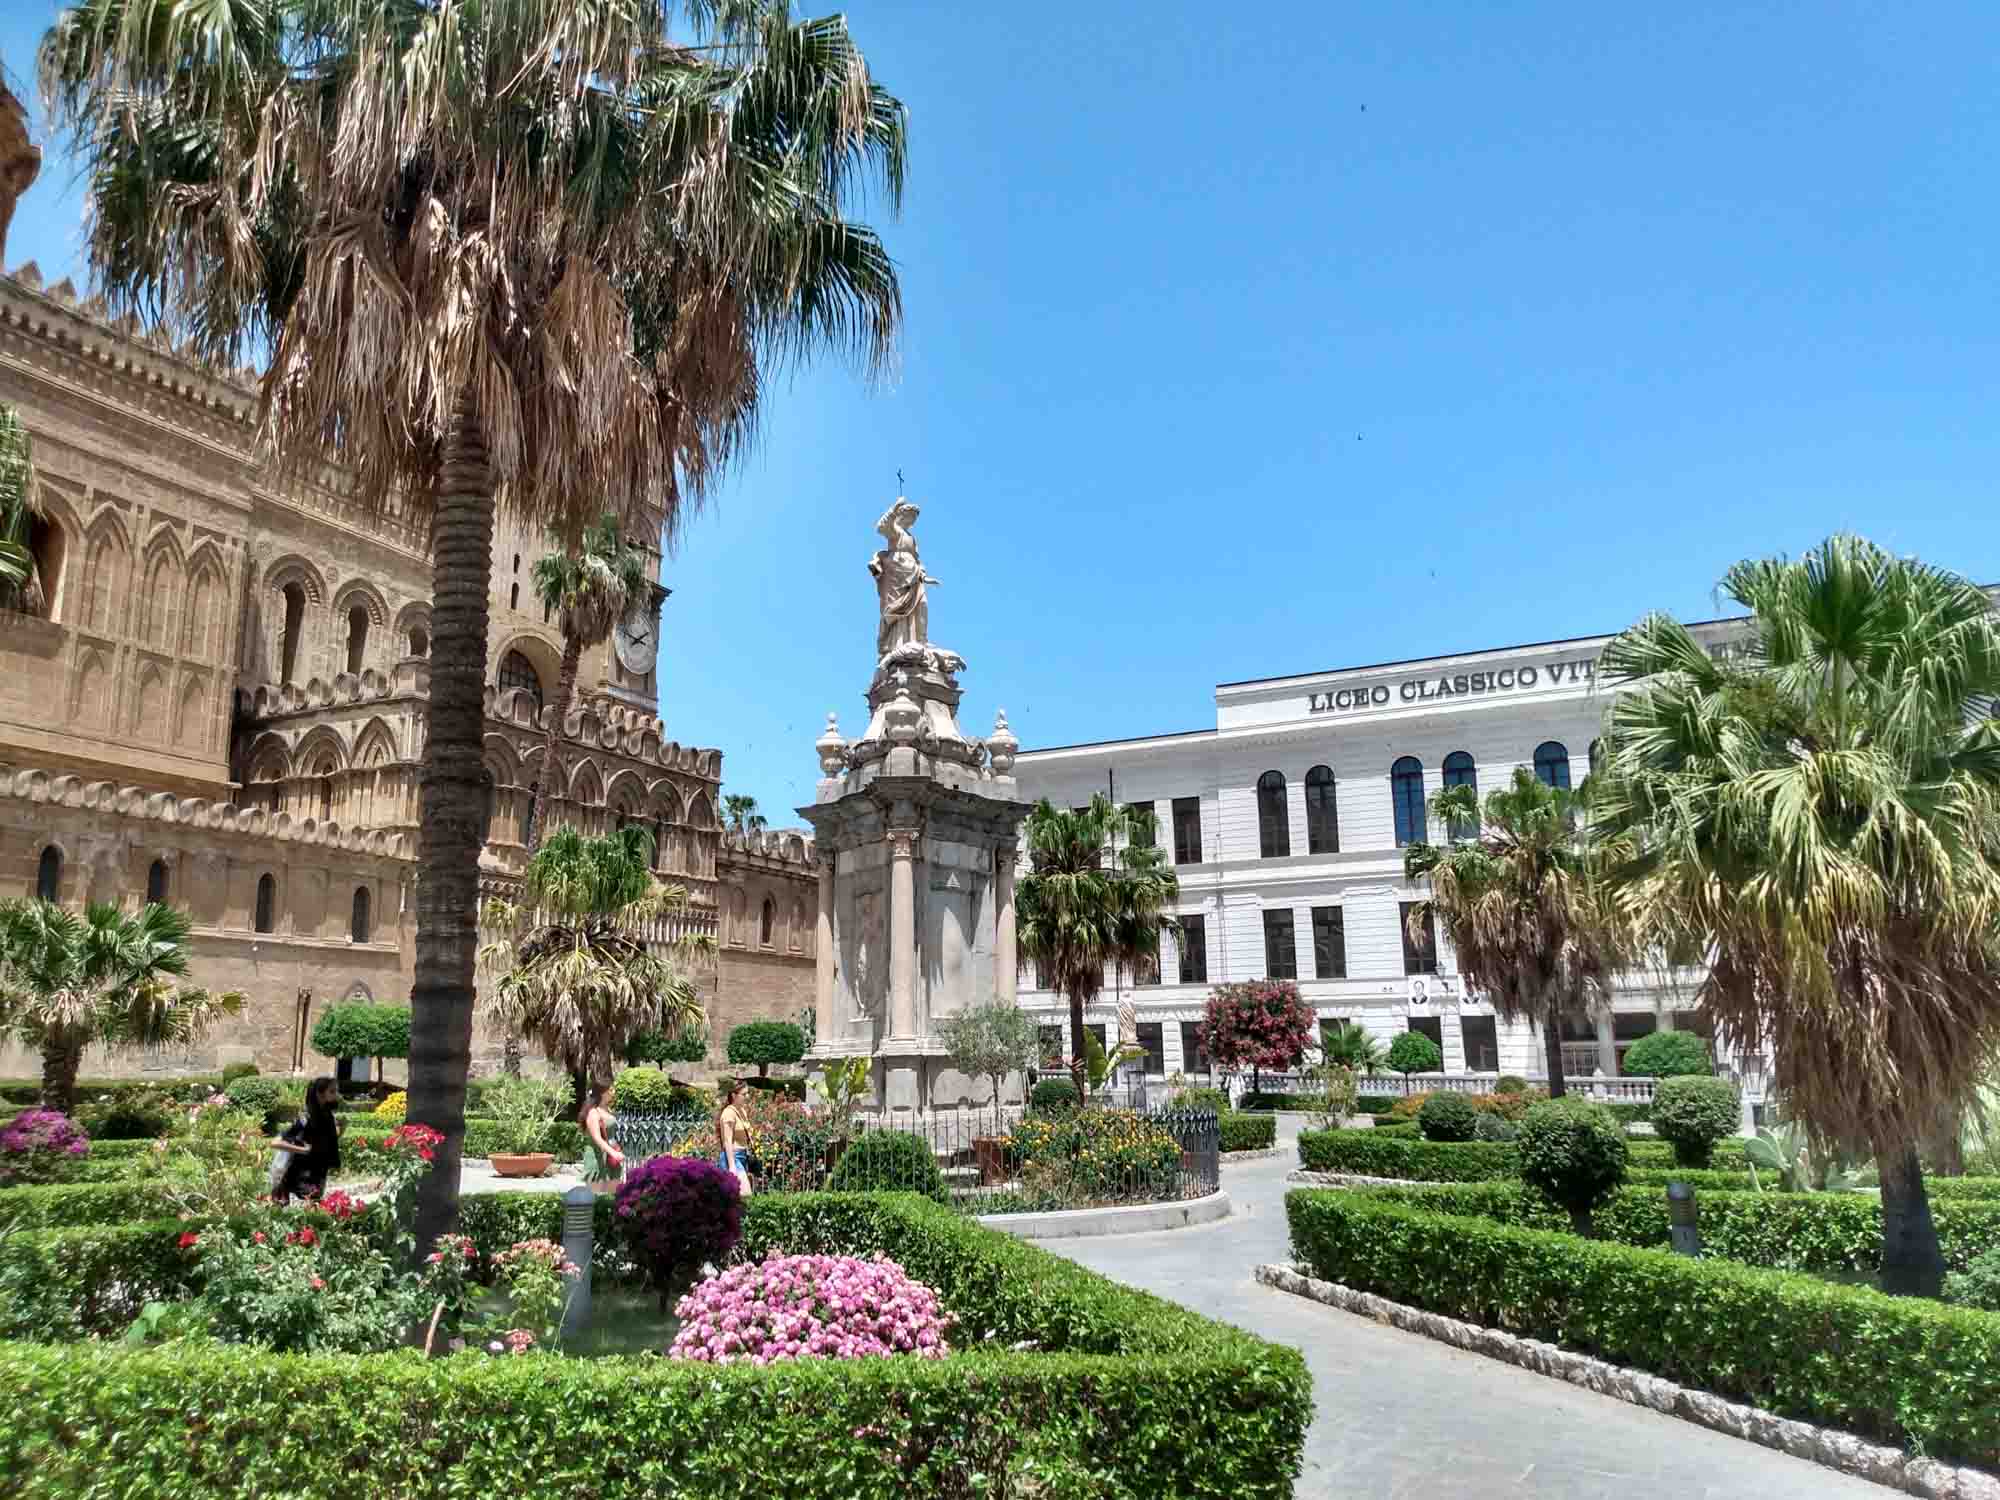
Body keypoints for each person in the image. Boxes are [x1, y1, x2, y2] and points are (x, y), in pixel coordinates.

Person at [271, 1076, 343, 1203]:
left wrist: (340, 1131)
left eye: (336, 1090)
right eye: (332, 1091)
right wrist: (303, 1150)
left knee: (314, 1206)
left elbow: (324, 1140)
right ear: (319, 1094)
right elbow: (275, 1143)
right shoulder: (306, 1118)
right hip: (302, 1175)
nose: (337, 1095)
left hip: (319, 1172)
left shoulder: (327, 1115)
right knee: (311, 1206)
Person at [581, 1081, 624, 1194]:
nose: (614, 1092)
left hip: (611, 1158)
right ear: (602, 1093)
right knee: (596, 1194)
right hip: (597, 1157)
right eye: (611, 1090)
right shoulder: (593, 1112)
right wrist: (613, 1153)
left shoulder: (608, 1110)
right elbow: (597, 1138)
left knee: (612, 1195)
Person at [717, 1079, 753, 1197]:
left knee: (736, 1196)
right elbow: (727, 1141)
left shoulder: (742, 1111)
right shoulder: (728, 1113)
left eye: (748, 1093)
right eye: (744, 1094)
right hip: (733, 1156)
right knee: (746, 1193)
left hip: (743, 1155)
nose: (747, 1097)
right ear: (733, 1095)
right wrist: (732, 1166)